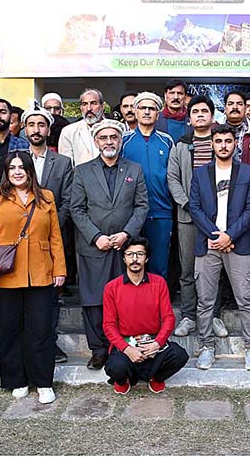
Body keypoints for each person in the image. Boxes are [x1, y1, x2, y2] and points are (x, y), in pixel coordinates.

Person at [0, 151, 66, 404]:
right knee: (9, 329)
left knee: (41, 329)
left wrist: (59, 269)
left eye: (22, 167)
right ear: (6, 171)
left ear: (30, 170)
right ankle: (16, 379)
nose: (17, 171)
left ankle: (43, 381)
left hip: (40, 272)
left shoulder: (46, 197)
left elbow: (55, 237)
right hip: (6, 274)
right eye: (12, 167)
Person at [70, 120, 149, 370]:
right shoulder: (82, 171)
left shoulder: (134, 169)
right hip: (94, 246)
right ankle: (99, 350)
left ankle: (123, 347)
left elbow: (142, 206)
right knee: (94, 301)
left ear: (120, 140)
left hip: (125, 248)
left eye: (113, 137)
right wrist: (96, 236)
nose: (108, 141)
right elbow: (77, 209)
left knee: (125, 299)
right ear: (96, 142)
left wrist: (127, 233)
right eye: (103, 138)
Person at [189, 124, 250, 371]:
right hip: (208, 243)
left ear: (235, 144)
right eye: (218, 141)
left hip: (238, 243)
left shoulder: (248, 172)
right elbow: (195, 207)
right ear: (212, 144)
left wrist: (229, 235)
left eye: (228, 141)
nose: (223, 145)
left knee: (246, 299)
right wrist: (215, 235)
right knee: (205, 300)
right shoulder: (199, 174)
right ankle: (206, 347)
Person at [21, 105, 74, 364]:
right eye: (31, 125)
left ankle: (49, 344)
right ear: (24, 129)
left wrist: (51, 226)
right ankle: (25, 345)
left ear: (48, 129)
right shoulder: (14, 159)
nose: (36, 130)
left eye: (41, 125)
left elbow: (67, 201)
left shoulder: (62, 162)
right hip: (19, 241)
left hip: (51, 239)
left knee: (50, 295)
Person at [102, 237, 189, 394]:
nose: (135, 259)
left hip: (152, 342)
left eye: (140, 254)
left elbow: (169, 318)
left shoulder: (159, 283)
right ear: (124, 258)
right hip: (126, 342)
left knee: (180, 355)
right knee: (115, 367)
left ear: (146, 258)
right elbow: (108, 325)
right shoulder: (112, 287)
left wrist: (157, 343)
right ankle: (123, 380)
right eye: (130, 254)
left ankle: (156, 378)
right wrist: (127, 349)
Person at [168, 95, 215, 337]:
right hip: (187, 217)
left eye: (204, 111)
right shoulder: (181, 145)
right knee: (187, 269)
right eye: (195, 111)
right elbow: (172, 178)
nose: (199, 115)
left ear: (212, 116)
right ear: (189, 118)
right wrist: (187, 204)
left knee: (213, 269)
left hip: (215, 219)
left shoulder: (221, 142)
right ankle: (188, 315)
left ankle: (213, 315)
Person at [121, 92, 175, 280]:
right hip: (130, 213)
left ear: (157, 114)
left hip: (161, 211)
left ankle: (158, 304)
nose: (146, 112)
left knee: (159, 263)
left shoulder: (167, 141)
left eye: (151, 109)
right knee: (132, 262)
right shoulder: (124, 141)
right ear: (135, 111)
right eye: (142, 108)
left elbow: (173, 176)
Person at [58, 88, 106, 168]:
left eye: (93, 103)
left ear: (102, 106)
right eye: (85, 104)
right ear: (81, 108)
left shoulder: (115, 128)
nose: (89, 108)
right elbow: (66, 166)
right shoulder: (69, 131)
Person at [222, 90, 250, 167]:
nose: (235, 107)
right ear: (225, 107)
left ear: (245, 108)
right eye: (230, 104)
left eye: (239, 104)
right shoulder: (213, 130)